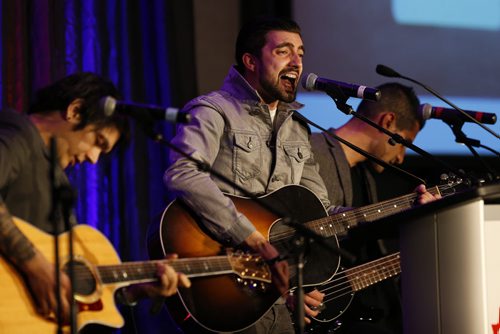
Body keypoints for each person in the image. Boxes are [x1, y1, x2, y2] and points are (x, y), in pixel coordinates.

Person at [164, 18, 436, 333]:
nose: (297, 62)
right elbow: (183, 173)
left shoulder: (297, 128)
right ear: (251, 61)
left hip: (276, 300)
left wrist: (404, 213)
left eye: (301, 53)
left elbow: (322, 214)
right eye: (284, 51)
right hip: (224, 282)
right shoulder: (214, 111)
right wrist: (251, 237)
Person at [0, 72, 191, 332]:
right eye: (97, 142)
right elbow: (45, 271)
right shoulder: (17, 134)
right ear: (75, 110)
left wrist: (136, 290)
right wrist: (37, 267)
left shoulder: (57, 183)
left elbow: (67, 288)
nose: (93, 158)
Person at [310, 82, 430, 334]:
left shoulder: (367, 176)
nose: (400, 158)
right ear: (387, 121)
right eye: (403, 142)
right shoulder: (313, 153)